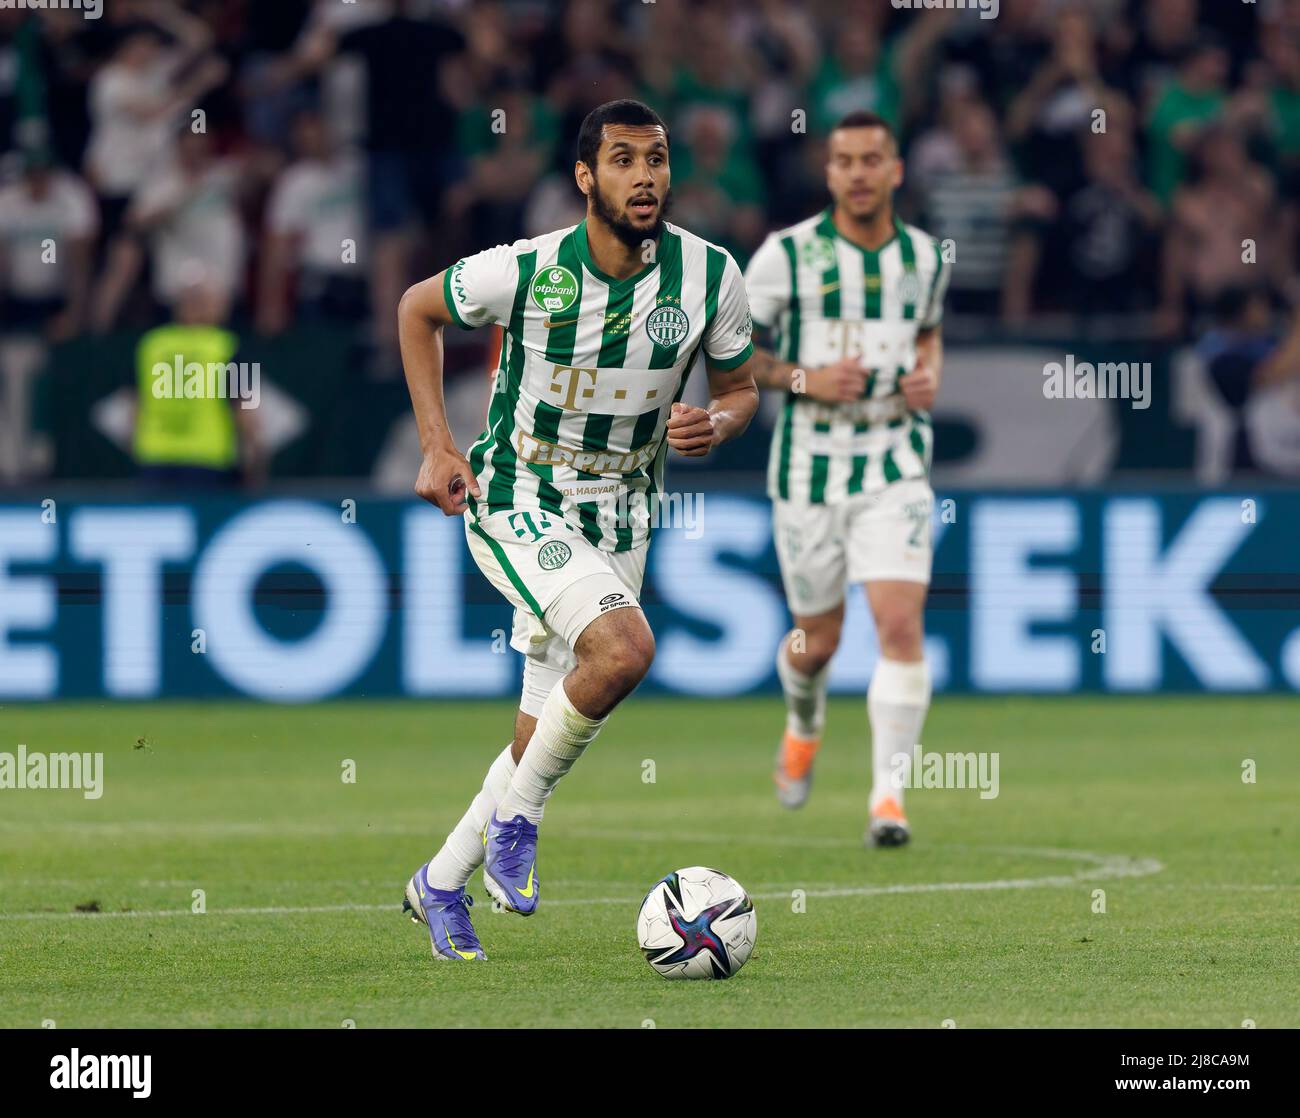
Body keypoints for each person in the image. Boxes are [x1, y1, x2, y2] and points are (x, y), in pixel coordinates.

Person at [397, 99, 758, 961]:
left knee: (538, 734)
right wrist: (438, 444)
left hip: (624, 512)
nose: (646, 176)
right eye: (625, 160)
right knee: (625, 651)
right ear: (586, 178)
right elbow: (417, 309)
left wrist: (723, 422)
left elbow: (742, 388)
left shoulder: (710, 276)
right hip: (520, 497)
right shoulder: (526, 270)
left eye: (658, 158)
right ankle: (521, 822)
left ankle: (441, 882)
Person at [743, 110, 950, 848]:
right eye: (844, 160)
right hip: (808, 472)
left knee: (899, 625)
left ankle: (888, 799)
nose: (858, 172)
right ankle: (804, 722)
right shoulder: (786, 256)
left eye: (872, 159)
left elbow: (927, 332)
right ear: (828, 173)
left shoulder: (926, 258)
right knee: (817, 643)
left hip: (895, 462)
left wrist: (930, 376)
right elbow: (732, 351)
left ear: (895, 171)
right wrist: (806, 378)